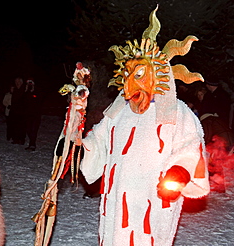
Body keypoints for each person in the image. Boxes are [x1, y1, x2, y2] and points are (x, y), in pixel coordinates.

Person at [80, 8, 209, 245]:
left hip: (152, 201)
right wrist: (80, 144)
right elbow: (98, 140)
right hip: (117, 198)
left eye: (139, 74)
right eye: (127, 74)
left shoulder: (176, 112)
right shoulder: (118, 113)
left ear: (157, 75)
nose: (129, 85)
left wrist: (178, 172)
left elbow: (191, 148)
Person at [23, 78, 43, 151]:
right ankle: (31, 143)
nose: (29, 84)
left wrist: (33, 92)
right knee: (28, 129)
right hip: (27, 114)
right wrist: (26, 91)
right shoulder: (26, 91)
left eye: (31, 83)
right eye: (28, 83)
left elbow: (39, 100)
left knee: (34, 129)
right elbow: (23, 100)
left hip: (35, 114)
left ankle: (32, 144)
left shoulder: (37, 90)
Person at [8, 77, 26, 145]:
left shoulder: (24, 90)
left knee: (22, 126)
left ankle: (21, 139)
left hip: (22, 112)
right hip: (14, 111)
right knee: (14, 126)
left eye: (19, 82)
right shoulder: (14, 90)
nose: (17, 83)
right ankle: (15, 139)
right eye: (16, 82)